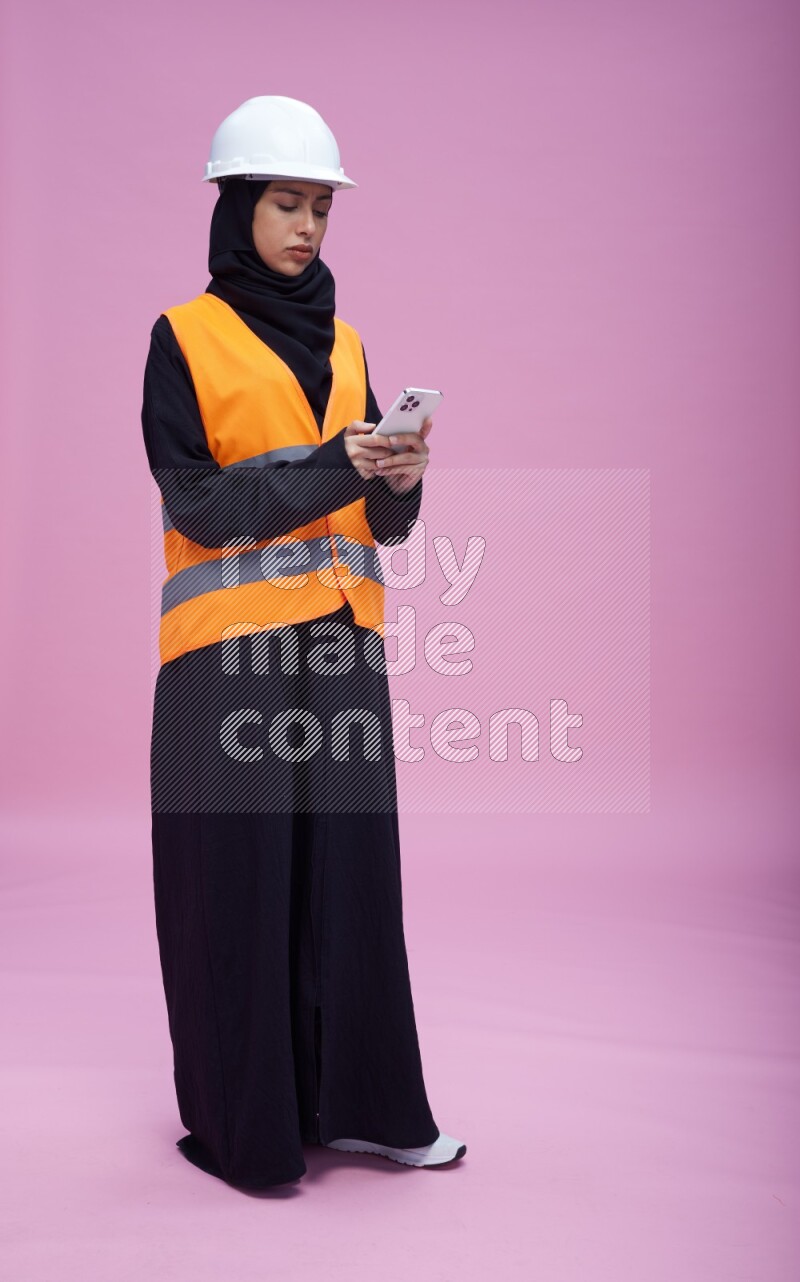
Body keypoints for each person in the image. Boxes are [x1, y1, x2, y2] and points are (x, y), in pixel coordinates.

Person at [140, 95, 467, 1189]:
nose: (308, 226)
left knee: (352, 882)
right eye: (286, 203)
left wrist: (399, 484)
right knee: (236, 885)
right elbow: (193, 499)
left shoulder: (351, 339)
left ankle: (368, 1107)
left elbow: (370, 515)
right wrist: (339, 461)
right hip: (225, 655)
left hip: (340, 643)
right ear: (237, 207)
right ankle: (252, 1130)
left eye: (320, 207)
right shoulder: (181, 337)